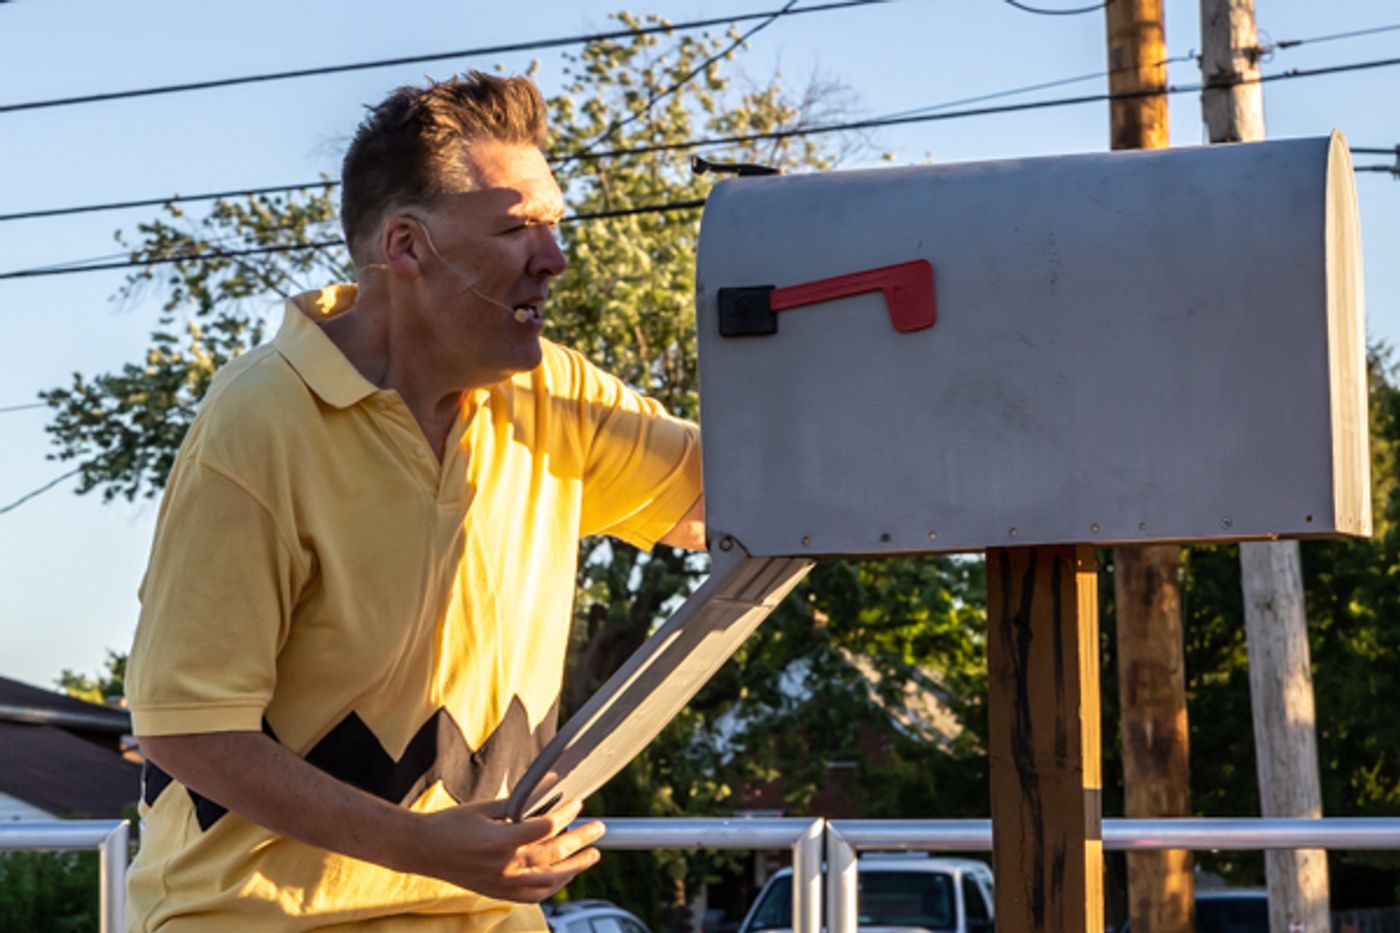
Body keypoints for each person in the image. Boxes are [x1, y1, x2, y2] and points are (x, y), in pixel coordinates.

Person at [123, 71, 705, 931]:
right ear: (406, 248)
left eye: (554, 224)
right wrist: (422, 844)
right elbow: (185, 728)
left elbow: (752, 497)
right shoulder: (258, 421)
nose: (556, 257)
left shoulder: (554, 393)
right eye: (517, 228)